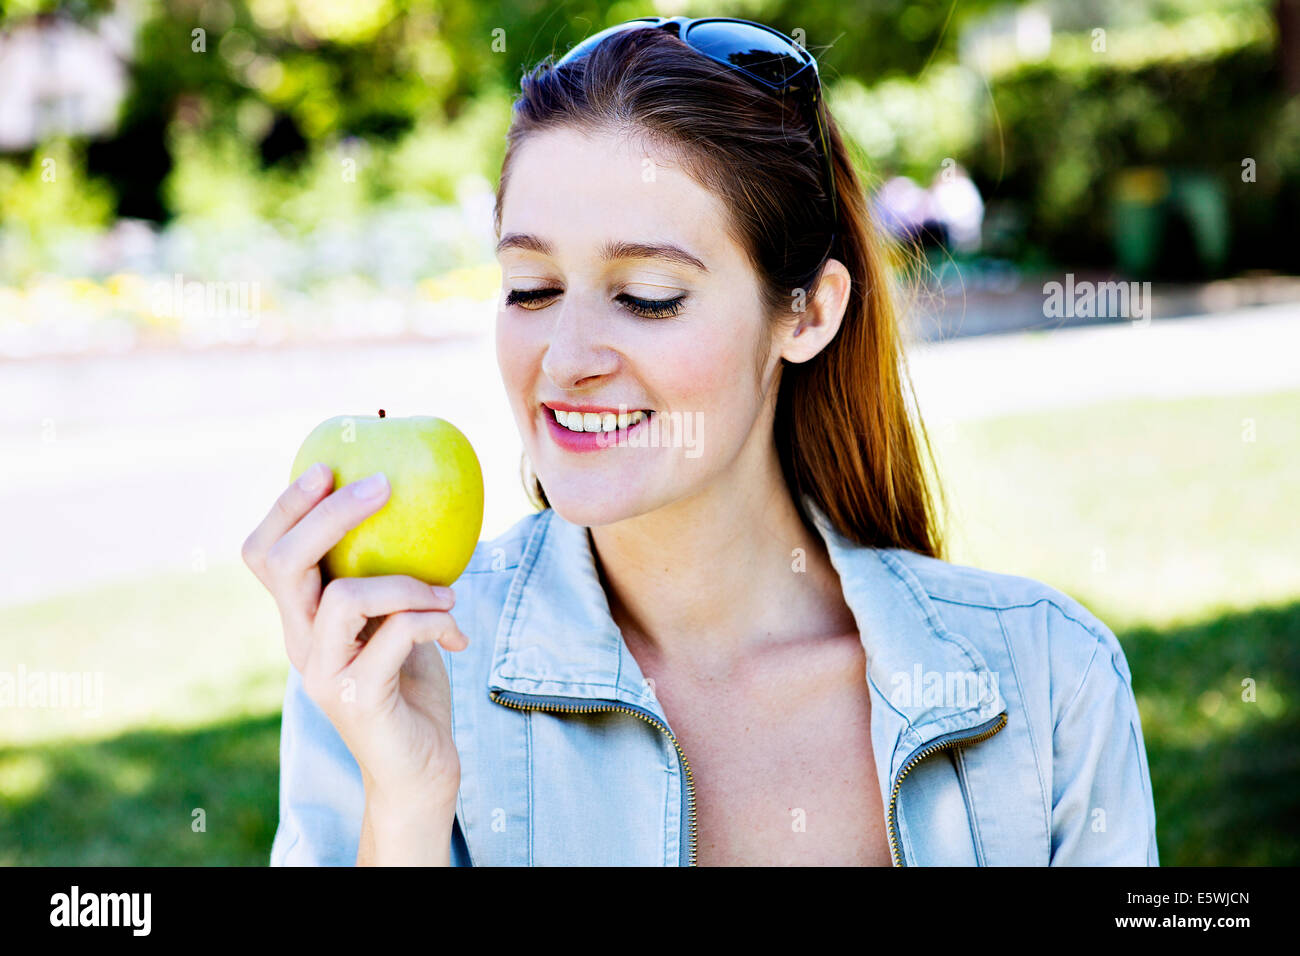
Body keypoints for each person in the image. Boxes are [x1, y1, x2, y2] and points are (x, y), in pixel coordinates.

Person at [243, 16, 1158, 866]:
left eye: (648, 296)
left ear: (807, 314)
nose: (564, 360)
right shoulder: (382, 667)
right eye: (530, 288)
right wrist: (407, 805)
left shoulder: (1051, 682)